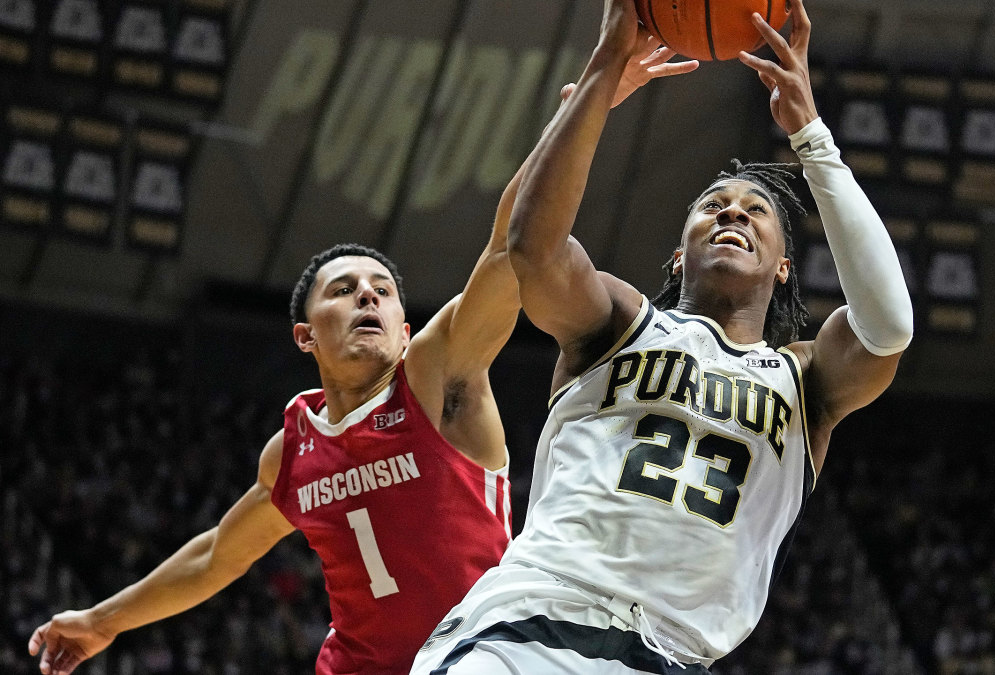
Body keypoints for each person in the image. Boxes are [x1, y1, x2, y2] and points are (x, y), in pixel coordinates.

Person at [26, 41, 698, 675]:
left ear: (406, 330)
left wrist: (584, 107)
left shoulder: (438, 376)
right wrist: (101, 619)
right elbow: (214, 556)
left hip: (477, 660)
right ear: (305, 335)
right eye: (343, 291)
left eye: (382, 291)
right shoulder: (293, 448)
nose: (367, 298)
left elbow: (509, 245)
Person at [410, 0, 913, 673]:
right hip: (533, 623)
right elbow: (531, 248)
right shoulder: (618, 321)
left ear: (783, 264)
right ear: (679, 255)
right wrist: (601, 72)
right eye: (712, 206)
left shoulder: (807, 383)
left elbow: (889, 326)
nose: (732, 209)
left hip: (671, 656)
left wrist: (813, 138)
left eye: (755, 210)